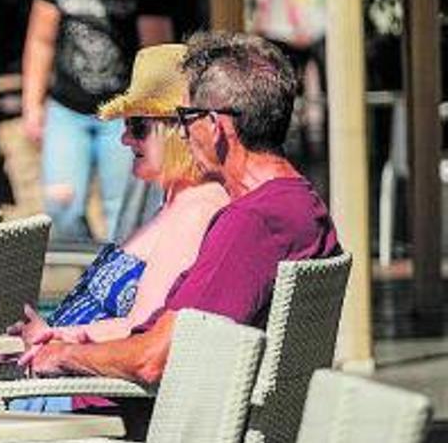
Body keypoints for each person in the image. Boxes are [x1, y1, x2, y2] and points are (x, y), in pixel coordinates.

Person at [20, 32, 340, 430]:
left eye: (186, 120)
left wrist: (63, 356)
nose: (184, 136)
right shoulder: (302, 205)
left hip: (144, 423)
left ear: (215, 126)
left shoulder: (251, 222)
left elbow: (154, 359)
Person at [3, 44, 228, 412]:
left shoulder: (197, 210)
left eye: (138, 127)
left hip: (87, 401)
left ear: (180, 131)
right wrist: (54, 333)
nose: (125, 139)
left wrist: (63, 342)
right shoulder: (171, 203)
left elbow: (143, 330)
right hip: (66, 382)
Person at [18, 0, 175, 241]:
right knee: (60, 209)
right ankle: (88, 272)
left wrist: (153, 117)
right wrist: (32, 105)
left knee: (122, 213)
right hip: (67, 111)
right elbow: (39, 42)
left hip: (119, 114)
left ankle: (114, 284)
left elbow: (156, 54)